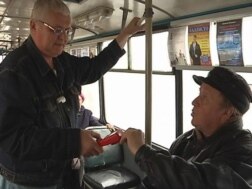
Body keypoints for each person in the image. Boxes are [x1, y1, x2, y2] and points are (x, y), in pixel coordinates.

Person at [0, 0, 144, 188]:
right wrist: (74, 141)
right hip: (30, 181)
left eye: (67, 30)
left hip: (65, 173)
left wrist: (124, 35)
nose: (63, 38)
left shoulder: (62, 61)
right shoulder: (13, 73)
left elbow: (93, 69)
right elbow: (13, 139)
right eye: (56, 29)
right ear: (33, 25)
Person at [121, 67, 252, 189]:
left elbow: (201, 182)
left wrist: (142, 151)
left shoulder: (243, 151)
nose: (194, 102)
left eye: (204, 98)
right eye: (198, 94)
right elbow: (157, 182)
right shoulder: (187, 139)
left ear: (227, 112)